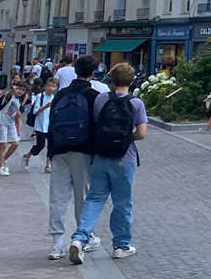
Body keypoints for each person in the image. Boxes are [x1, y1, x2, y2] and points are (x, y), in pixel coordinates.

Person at [68, 62, 147, 264]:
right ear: (131, 81)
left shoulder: (101, 99)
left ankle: (79, 238)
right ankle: (121, 245)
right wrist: (126, 137)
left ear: (111, 80)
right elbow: (142, 133)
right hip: (124, 158)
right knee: (122, 203)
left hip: (101, 156)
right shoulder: (136, 103)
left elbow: (96, 124)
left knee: (94, 199)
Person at [47, 54, 104, 260]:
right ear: (93, 72)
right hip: (82, 150)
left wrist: (50, 151)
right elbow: (97, 126)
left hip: (59, 149)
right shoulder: (93, 95)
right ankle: (81, 239)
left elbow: (52, 124)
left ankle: (56, 244)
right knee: (83, 197)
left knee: (58, 197)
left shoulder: (60, 95)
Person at [24, 77, 58, 171]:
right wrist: (45, 107)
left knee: (51, 146)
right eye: (49, 85)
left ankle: (48, 165)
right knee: (40, 146)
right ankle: (27, 156)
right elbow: (35, 112)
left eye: (53, 86)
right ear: (46, 86)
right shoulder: (40, 97)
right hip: (40, 126)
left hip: (50, 126)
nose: (51, 88)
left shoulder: (54, 98)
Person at [0, 80, 26, 175]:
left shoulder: (19, 100)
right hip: (2, 122)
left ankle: (3, 159)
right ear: (15, 88)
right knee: (3, 145)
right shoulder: (9, 96)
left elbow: (18, 116)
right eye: (18, 88)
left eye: (22, 90)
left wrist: (19, 128)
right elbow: (8, 94)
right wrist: (12, 89)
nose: (20, 91)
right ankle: (1, 167)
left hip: (11, 123)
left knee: (15, 143)